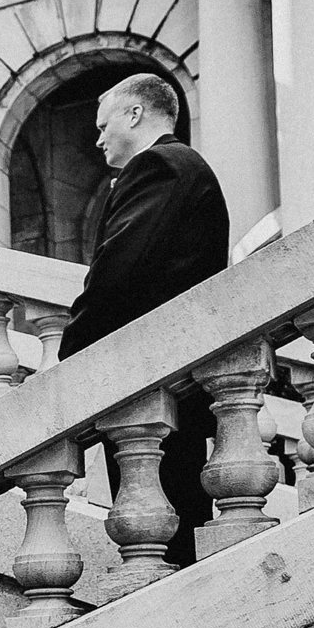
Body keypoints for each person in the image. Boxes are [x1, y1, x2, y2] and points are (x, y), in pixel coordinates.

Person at [62, 74, 229, 566]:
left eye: (103, 124)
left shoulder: (159, 165)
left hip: (155, 380)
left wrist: (69, 355)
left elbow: (118, 274)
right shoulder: (180, 166)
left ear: (135, 114)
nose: (97, 139)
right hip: (167, 380)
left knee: (164, 546)